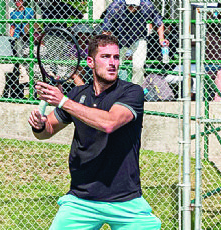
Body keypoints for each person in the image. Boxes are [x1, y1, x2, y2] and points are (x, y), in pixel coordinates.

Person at [28, 34, 161, 230]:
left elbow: (109, 123)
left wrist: (63, 101)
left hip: (125, 201)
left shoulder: (131, 92)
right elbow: (46, 132)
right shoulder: (77, 95)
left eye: (116, 57)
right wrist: (39, 124)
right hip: (81, 200)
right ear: (90, 62)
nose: (112, 63)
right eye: (106, 57)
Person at [102, 0, 169, 86]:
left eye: (134, 5)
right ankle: (112, 89)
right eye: (129, 5)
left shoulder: (146, 5)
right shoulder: (116, 5)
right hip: (119, 37)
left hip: (139, 37)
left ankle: (135, 90)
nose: (131, 7)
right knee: (114, 65)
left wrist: (161, 39)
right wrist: (106, 44)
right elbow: (107, 27)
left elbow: (159, 22)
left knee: (138, 66)